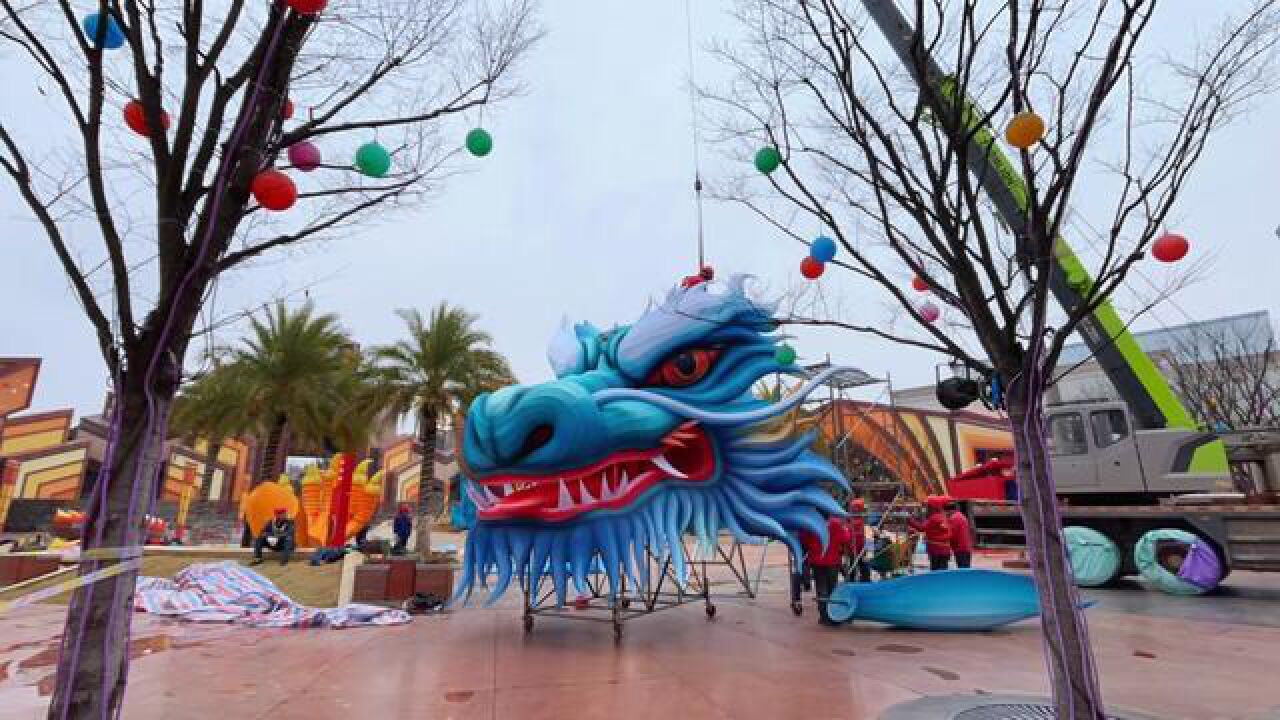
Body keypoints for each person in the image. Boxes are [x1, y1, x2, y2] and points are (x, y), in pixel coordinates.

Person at [799, 514, 853, 626]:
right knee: (832, 588)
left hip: (817, 560)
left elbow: (803, 539)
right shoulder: (836, 524)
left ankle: (824, 616)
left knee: (821, 588)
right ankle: (833, 614)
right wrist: (847, 529)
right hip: (833, 561)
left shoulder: (811, 522)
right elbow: (846, 538)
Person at [908, 495, 952, 571]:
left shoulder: (934, 518)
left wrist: (910, 520)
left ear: (932, 507)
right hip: (944, 550)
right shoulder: (942, 516)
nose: (927, 508)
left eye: (928, 506)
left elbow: (922, 528)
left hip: (937, 550)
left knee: (935, 571)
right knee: (943, 570)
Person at [843, 498, 871, 583]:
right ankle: (864, 581)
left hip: (856, 548)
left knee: (854, 566)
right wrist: (870, 551)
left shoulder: (850, 521)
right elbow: (869, 536)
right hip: (860, 548)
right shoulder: (861, 521)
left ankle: (853, 580)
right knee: (863, 567)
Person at [947, 500, 974, 569]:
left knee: (962, 570)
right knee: (966, 569)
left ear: (949, 510)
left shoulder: (953, 518)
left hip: (960, 548)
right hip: (966, 547)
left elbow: (952, 534)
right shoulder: (961, 516)